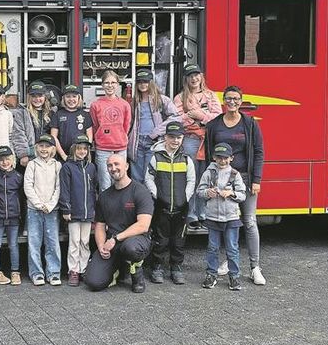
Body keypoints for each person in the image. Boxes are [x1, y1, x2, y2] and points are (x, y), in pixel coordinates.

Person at [204, 85, 266, 286]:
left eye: (236, 99)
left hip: (245, 180)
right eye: (229, 98)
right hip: (221, 182)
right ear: (223, 100)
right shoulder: (214, 125)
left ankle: (255, 267)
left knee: (249, 221)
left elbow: (258, 152)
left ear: (241, 101)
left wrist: (256, 180)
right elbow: (208, 154)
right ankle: (229, 261)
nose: (232, 102)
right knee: (226, 222)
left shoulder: (249, 123)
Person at [84, 155, 153, 294]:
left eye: (117, 164)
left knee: (130, 248)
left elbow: (143, 225)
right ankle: (119, 270)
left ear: (126, 166)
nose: (113, 168)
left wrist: (116, 239)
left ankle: (136, 272)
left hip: (136, 240)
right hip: (112, 243)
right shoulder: (104, 196)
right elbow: (100, 226)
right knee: (93, 282)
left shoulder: (140, 191)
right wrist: (101, 246)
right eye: (109, 165)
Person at [144, 122, 196, 285]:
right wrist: (157, 195)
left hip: (181, 208)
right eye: (172, 137)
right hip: (162, 207)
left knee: (178, 241)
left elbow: (191, 180)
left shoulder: (187, 159)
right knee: (160, 239)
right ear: (165, 137)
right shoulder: (156, 157)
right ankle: (157, 267)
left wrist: (185, 198)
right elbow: (148, 178)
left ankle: (176, 267)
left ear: (182, 139)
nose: (175, 140)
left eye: (178, 137)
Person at [173, 63, 222, 229]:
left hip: (208, 141)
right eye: (190, 76)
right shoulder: (180, 98)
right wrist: (195, 118)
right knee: (191, 178)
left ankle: (204, 214)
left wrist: (198, 115)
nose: (194, 78)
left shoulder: (211, 96)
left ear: (201, 77)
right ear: (186, 79)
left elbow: (217, 118)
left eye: (197, 75)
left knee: (207, 178)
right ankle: (191, 214)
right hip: (190, 140)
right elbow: (178, 120)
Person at [199, 143, 248, 291]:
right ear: (214, 158)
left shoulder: (235, 174)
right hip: (213, 217)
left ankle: (234, 276)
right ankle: (211, 274)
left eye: (226, 158)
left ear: (231, 158)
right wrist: (208, 193)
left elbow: (243, 195)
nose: (222, 161)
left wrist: (232, 193)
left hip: (231, 218)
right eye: (219, 158)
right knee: (212, 247)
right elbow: (199, 191)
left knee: (232, 248)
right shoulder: (208, 173)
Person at [24, 134, 63, 286]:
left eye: (47, 146)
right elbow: (28, 186)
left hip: (52, 210)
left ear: (53, 149)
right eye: (41, 146)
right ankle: (37, 273)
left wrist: (51, 204)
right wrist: (39, 204)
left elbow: (59, 187)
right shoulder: (32, 165)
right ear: (37, 148)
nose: (44, 149)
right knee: (34, 241)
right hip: (34, 209)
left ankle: (53, 272)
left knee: (52, 242)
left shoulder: (57, 165)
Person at [58, 135, 97, 286]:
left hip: (88, 212)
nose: (82, 151)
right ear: (74, 149)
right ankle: (73, 270)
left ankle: (84, 269)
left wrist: (94, 209)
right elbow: (65, 190)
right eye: (79, 148)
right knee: (74, 241)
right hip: (74, 212)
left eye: (85, 149)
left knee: (85, 242)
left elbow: (94, 190)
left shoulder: (91, 167)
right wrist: (66, 209)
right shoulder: (67, 167)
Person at [128, 69, 180, 181]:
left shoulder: (161, 99)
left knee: (150, 175)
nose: (143, 85)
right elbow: (130, 122)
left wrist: (157, 132)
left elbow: (176, 117)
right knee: (136, 176)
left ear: (151, 82)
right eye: (140, 82)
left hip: (153, 141)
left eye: (145, 82)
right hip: (136, 143)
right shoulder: (134, 101)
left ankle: (149, 198)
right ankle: (138, 198)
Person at [89, 69, 132, 191]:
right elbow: (95, 125)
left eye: (113, 82)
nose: (110, 85)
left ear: (118, 85)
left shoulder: (124, 105)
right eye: (107, 83)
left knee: (120, 181)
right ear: (102, 85)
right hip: (103, 148)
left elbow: (126, 125)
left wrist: (120, 136)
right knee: (105, 183)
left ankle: (119, 209)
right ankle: (105, 209)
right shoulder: (95, 105)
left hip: (120, 148)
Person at [0, 145, 23, 285]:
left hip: (14, 216)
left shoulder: (18, 176)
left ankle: (15, 271)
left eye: (7, 159)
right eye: (1, 160)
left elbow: (22, 197)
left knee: (13, 245)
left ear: (12, 159)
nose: (4, 162)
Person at [51, 84, 93, 160]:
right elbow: (53, 136)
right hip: (63, 157)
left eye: (74, 96)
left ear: (79, 98)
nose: (71, 99)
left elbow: (89, 136)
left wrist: (85, 152)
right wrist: (63, 155)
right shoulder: (57, 115)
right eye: (68, 96)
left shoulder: (85, 115)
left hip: (81, 156)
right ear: (63, 98)